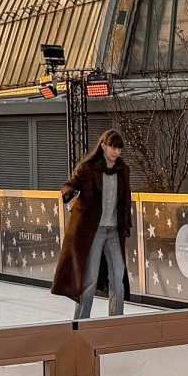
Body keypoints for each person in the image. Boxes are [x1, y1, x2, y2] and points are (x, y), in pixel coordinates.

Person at [52, 129, 132, 320]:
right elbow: (69, 185)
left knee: (117, 278)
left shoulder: (123, 171)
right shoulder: (88, 168)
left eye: (119, 148)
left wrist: (125, 223)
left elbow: (125, 200)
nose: (116, 152)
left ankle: (116, 321)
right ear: (103, 146)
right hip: (93, 231)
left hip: (114, 232)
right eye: (113, 147)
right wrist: (70, 197)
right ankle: (80, 321)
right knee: (89, 279)